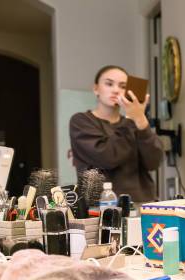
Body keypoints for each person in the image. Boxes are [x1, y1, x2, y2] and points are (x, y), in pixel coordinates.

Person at [69, 65, 163, 202]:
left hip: (142, 204)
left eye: (123, 86)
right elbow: (108, 157)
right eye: (109, 84)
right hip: (101, 208)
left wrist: (141, 121)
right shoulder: (81, 122)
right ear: (96, 89)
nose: (116, 90)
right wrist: (131, 119)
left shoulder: (134, 122)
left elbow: (154, 162)